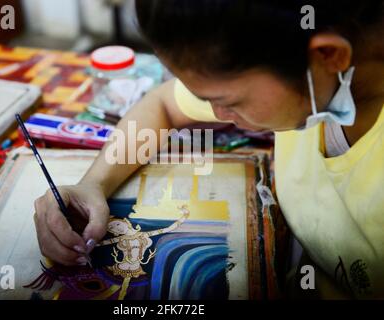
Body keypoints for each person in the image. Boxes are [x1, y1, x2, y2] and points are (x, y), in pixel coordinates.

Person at [33, 0, 384, 299]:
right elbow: (164, 105)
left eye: (228, 101)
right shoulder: (310, 77)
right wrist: (94, 183)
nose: (217, 116)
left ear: (328, 55)